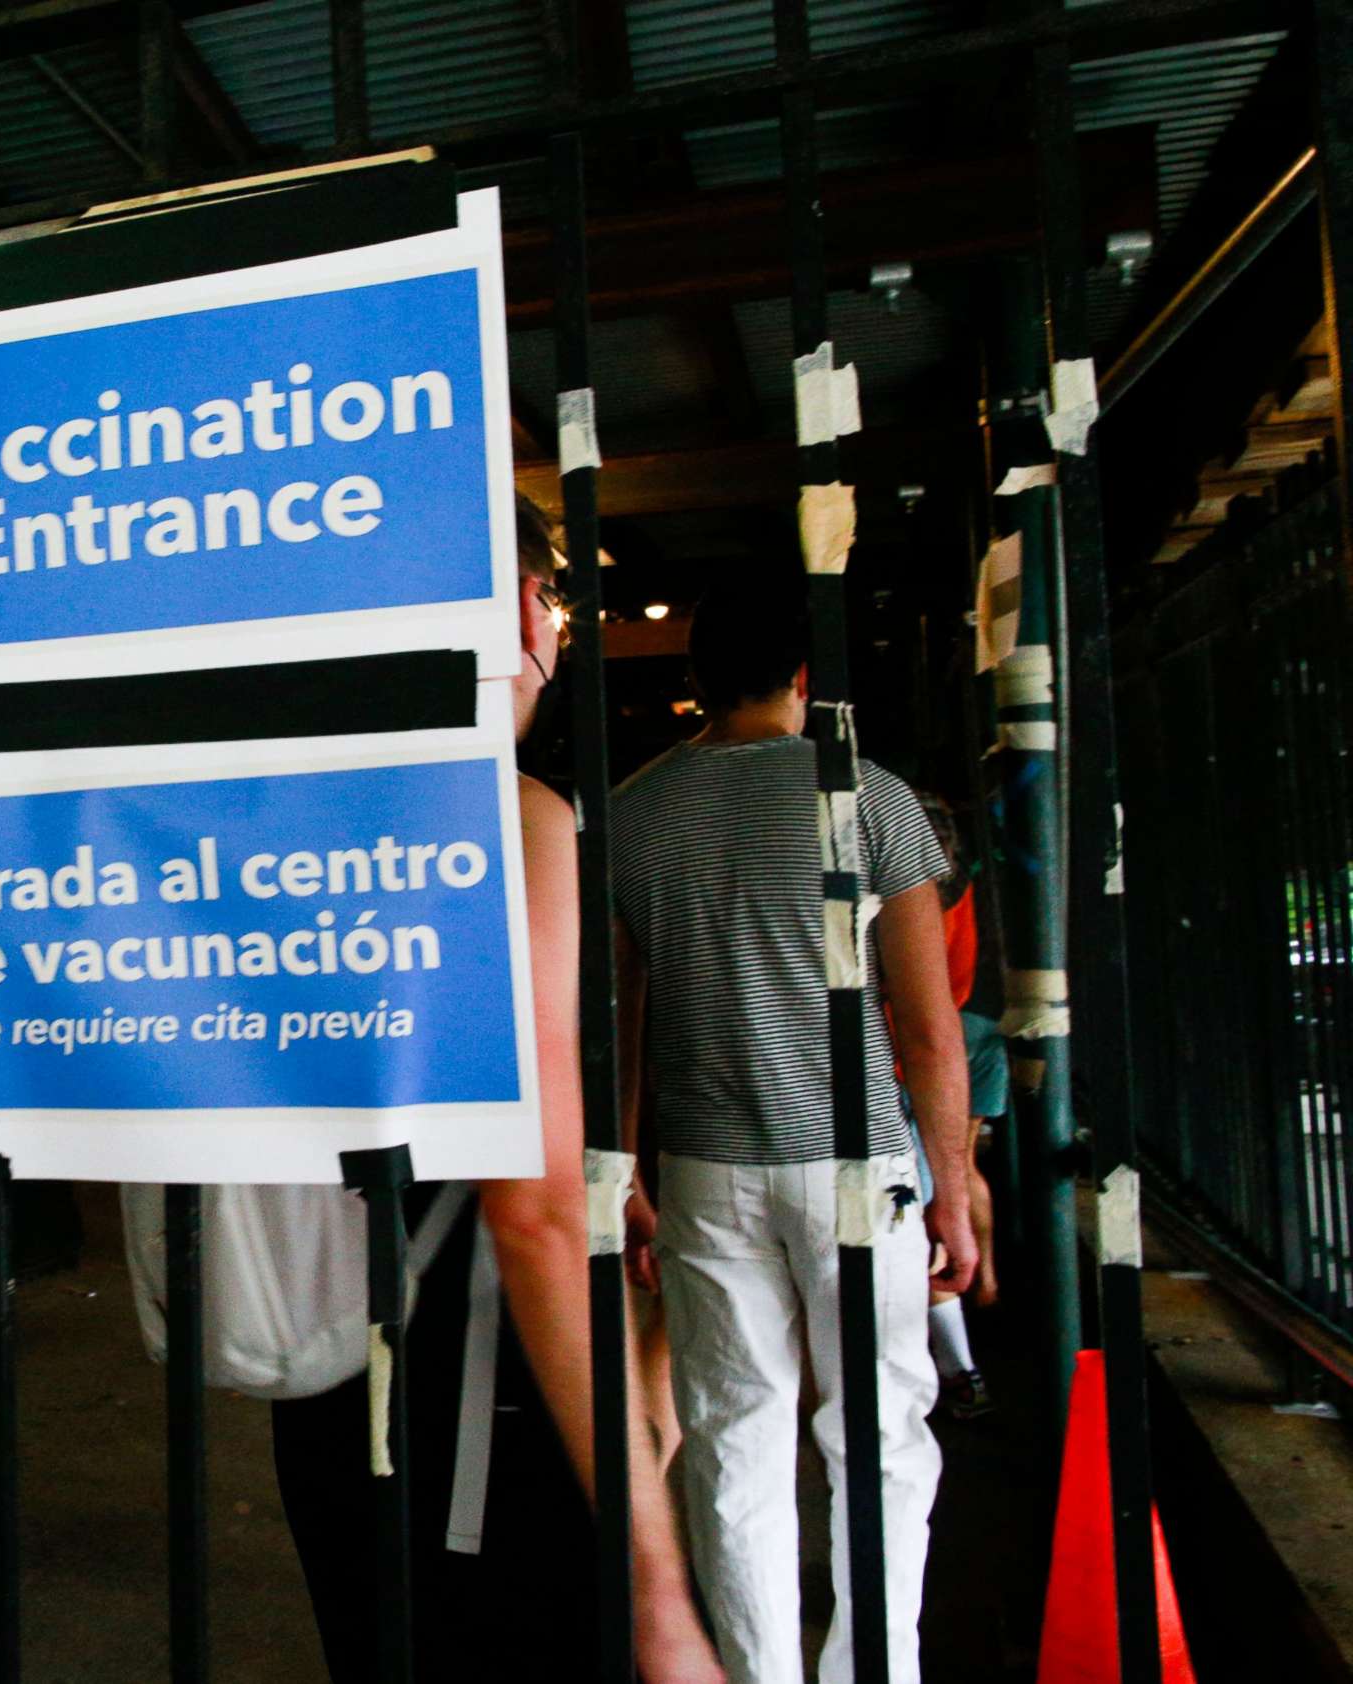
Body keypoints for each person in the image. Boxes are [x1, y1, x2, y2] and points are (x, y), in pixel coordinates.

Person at [268, 496, 724, 1683]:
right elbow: (530, 1210)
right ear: (529, 608)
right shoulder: (516, 820)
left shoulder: (289, 812)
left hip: (324, 1350)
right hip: (480, 1376)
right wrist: (662, 1595)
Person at [613, 569, 977, 1684]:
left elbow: (622, 1020)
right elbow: (926, 1028)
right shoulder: (869, 798)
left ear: (694, 682)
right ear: (805, 681)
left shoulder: (632, 815)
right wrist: (954, 1187)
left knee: (736, 1445)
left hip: (707, 1172)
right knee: (876, 1447)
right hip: (857, 1172)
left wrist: (626, 1167)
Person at [911, 793, 1004, 1419]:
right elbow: (955, 983)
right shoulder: (956, 883)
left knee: (919, 1201)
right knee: (960, 1167)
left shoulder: (896, 877)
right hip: (961, 1033)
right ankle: (986, 1279)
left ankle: (959, 1369)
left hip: (909, 1047)